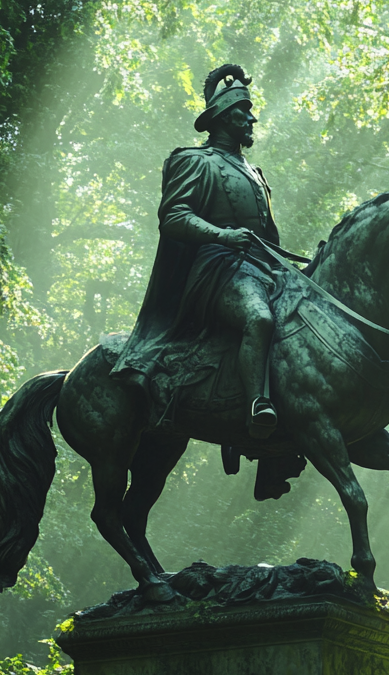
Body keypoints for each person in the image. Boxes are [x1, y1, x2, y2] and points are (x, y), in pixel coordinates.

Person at [112, 64, 281, 438]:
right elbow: (173, 217)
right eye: (244, 111)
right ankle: (259, 407)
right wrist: (222, 236)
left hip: (260, 269)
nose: (252, 118)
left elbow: (269, 236)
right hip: (217, 271)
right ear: (222, 117)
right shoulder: (194, 161)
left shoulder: (255, 173)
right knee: (260, 320)